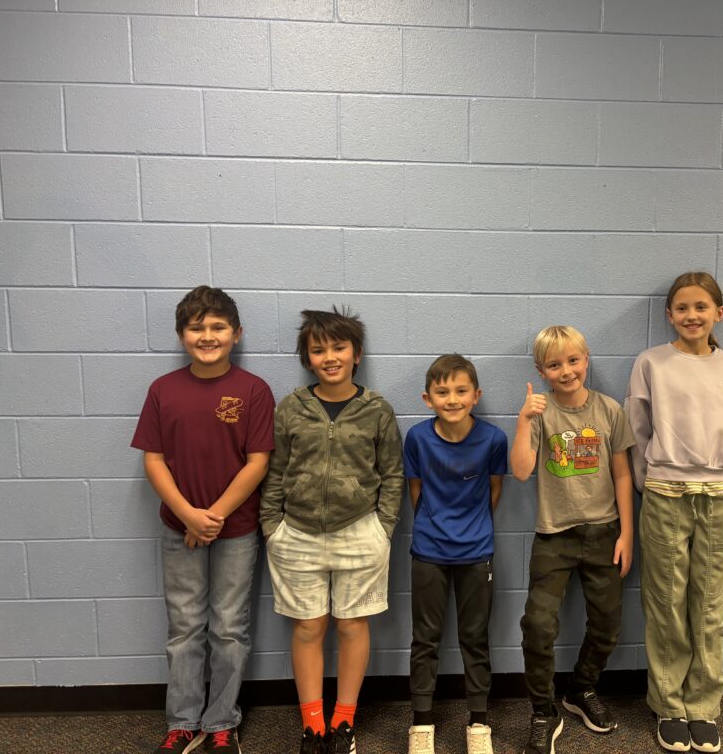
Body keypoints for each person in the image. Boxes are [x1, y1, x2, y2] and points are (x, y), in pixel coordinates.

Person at [131, 286, 275, 754]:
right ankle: (182, 722)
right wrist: (188, 515)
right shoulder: (163, 390)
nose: (207, 335)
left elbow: (257, 462)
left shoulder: (253, 391)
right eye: (197, 327)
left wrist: (211, 517)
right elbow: (154, 460)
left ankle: (221, 723)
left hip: (234, 530)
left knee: (229, 627)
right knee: (185, 626)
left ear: (236, 334)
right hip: (180, 528)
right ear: (181, 335)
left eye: (217, 327)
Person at [261, 307, 403, 754]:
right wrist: (272, 526)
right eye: (318, 349)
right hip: (297, 534)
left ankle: (344, 722)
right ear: (307, 357)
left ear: (356, 354)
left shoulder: (376, 409)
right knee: (308, 626)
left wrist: (383, 528)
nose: (329, 357)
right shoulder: (292, 407)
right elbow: (276, 469)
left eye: (339, 347)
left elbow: (393, 474)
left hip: (360, 531)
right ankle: (313, 725)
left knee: (352, 624)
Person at [625, 272, 723, 754]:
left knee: (708, 603)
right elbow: (637, 425)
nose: (691, 315)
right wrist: (650, 476)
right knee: (666, 600)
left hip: (718, 492)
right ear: (669, 315)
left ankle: (702, 705)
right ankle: (669, 705)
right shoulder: (652, 363)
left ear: (718, 313)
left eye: (701, 307)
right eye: (682, 307)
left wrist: (721, 463)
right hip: (664, 491)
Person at [510, 325, 635, 754]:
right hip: (554, 536)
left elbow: (622, 473)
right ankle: (544, 710)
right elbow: (523, 471)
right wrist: (524, 418)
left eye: (573, 360)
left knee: (608, 627)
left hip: (604, 534)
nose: (566, 371)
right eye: (554, 364)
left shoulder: (609, 410)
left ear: (586, 359)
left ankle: (580, 690)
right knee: (537, 626)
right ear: (541, 371)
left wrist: (627, 534)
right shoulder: (540, 414)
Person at [404, 354, 509, 754]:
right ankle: (421, 723)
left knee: (474, 637)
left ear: (476, 395)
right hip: (428, 551)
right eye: (442, 391)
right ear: (427, 398)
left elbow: (494, 492)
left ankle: (479, 721)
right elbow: (416, 493)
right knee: (425, 639)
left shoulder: (493, 440)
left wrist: (470, 529)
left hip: (476, 551)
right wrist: (437, 527)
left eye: (461, 390)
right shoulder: (416, 438)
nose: (452, 399)